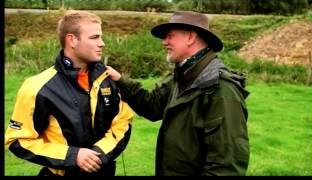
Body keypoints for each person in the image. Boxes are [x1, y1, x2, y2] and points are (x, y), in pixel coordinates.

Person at [106, 11, 250, 176]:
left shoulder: (221, 87)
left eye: (170, 36)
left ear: (190, 37)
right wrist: (119, 80)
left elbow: (226, 166)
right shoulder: (183, 74)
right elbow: (152, 105)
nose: (164, 42)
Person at [4, 10, 134, 176]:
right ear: (71, 40)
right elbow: (17, 140)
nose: (102, 43)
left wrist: (97, 154)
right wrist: (73, 156)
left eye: (101, 37)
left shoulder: (109, 78)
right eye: (94, 37)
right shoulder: (37, 87)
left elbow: (122, 123)